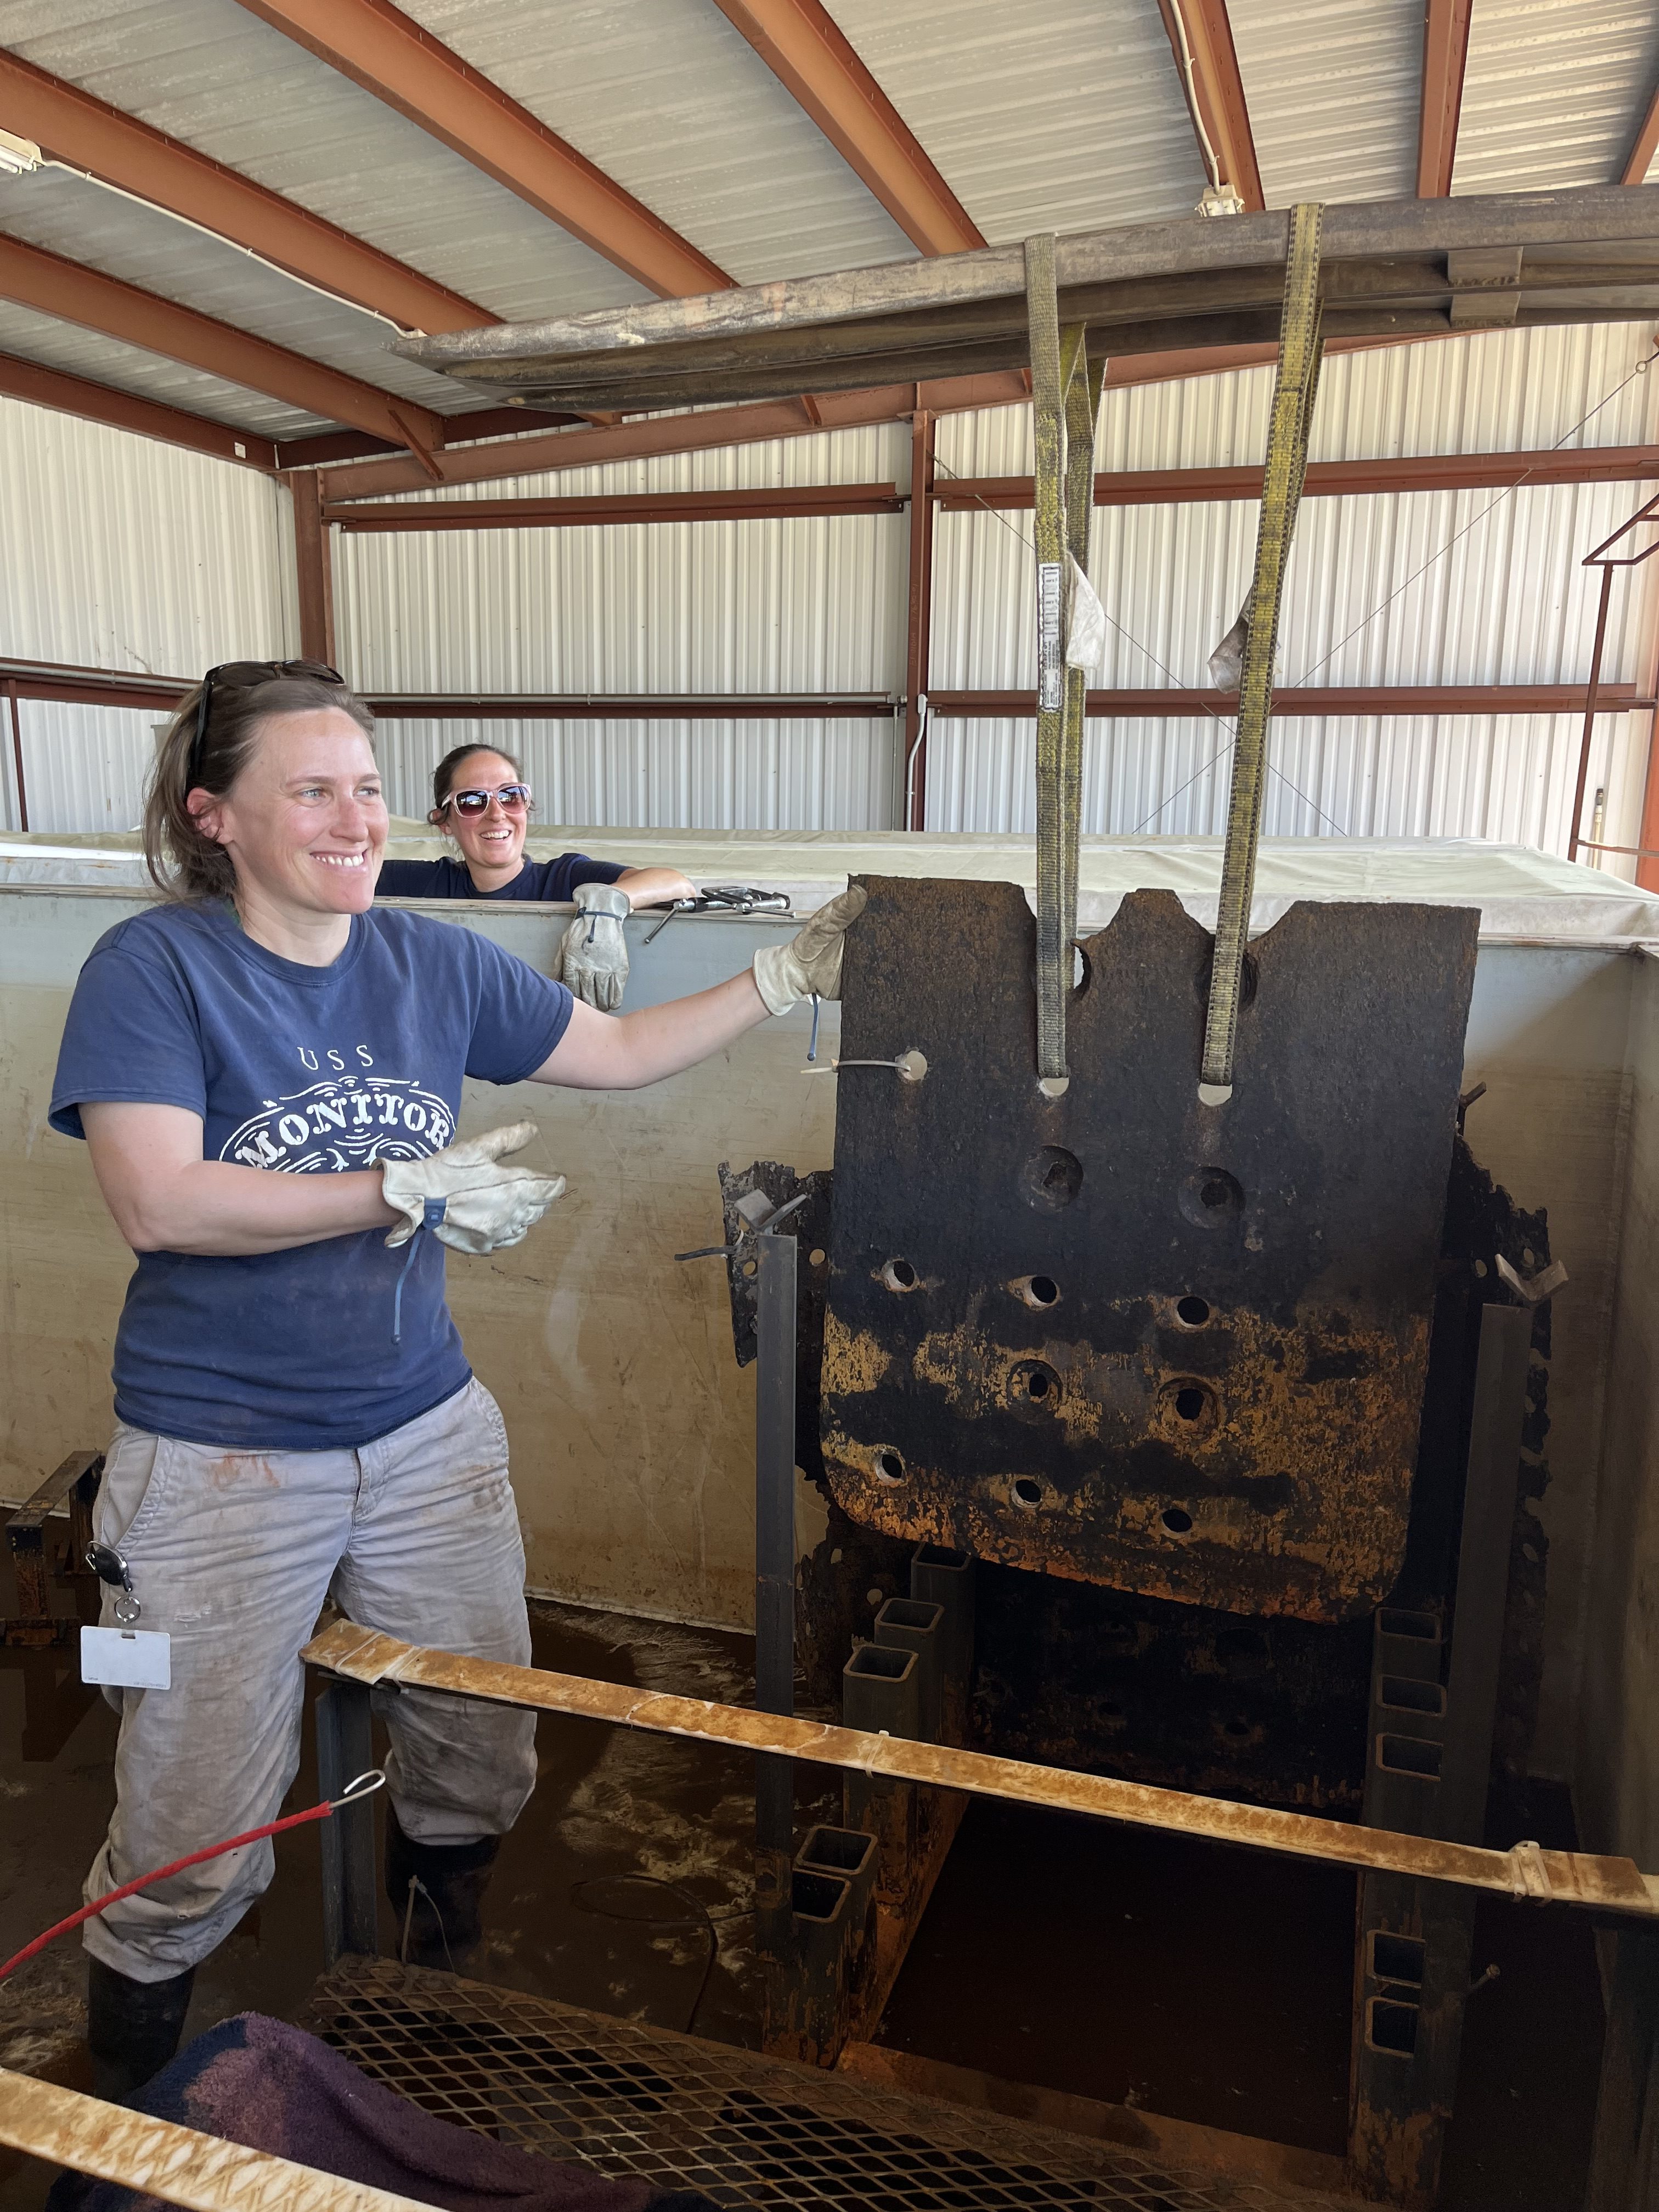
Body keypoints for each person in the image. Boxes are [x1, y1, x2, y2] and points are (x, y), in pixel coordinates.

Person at [47, 659, 862, 2099]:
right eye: (311, 790)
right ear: (214, 815)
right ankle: (119, 2109)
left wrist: (779, 974)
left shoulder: (425, 958)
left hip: (423, 1426)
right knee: (189, 1828)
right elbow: (160, 1200)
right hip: (221, 1454)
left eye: (366, 788)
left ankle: (433, 1983)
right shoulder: (156, 969)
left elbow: (607, 1051)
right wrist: (394, 1189)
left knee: (482, 1740)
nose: (355, 817)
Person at [376, 742, 699, 1011]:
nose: (496, 813)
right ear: (444, 821)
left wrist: (609, 904)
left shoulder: (566, 878)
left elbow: (676, 883)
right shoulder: (423, 884)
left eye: (510, 796)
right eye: (473, 801)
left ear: (526, 807)